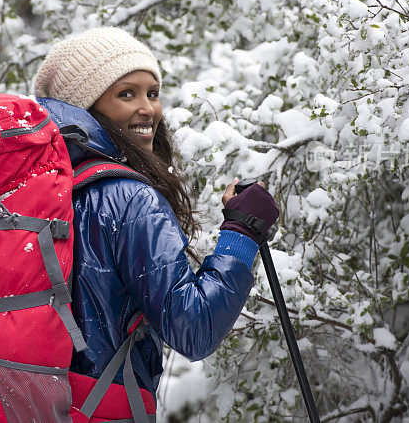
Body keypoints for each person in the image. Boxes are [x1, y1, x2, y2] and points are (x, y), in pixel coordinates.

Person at [33, 26, 279, 421]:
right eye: (126, 94)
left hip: (37, 401)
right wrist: (243, 232)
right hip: (101, 408)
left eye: (153, 92)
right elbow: (194, 327)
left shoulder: (50, 190)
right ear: (86, 107)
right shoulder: (128, 198)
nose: (149, 109)